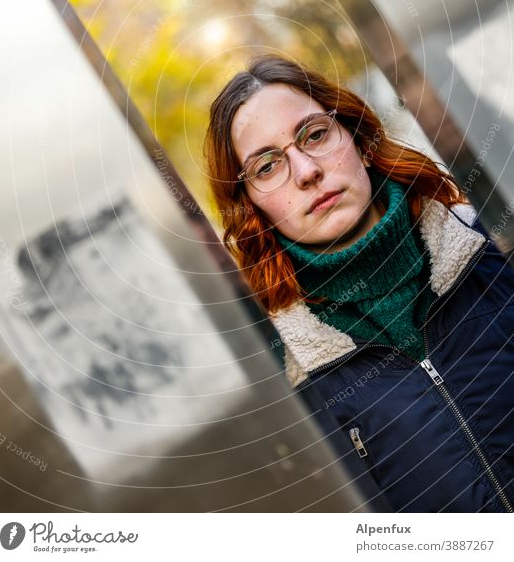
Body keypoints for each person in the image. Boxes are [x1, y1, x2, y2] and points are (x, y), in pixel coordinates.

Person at [203, 53, 514, 513]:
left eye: (315, 134)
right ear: (249, 205)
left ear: (355, 135)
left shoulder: (491, 248)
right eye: (267, 166)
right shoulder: (283, 369)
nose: (307, 171)